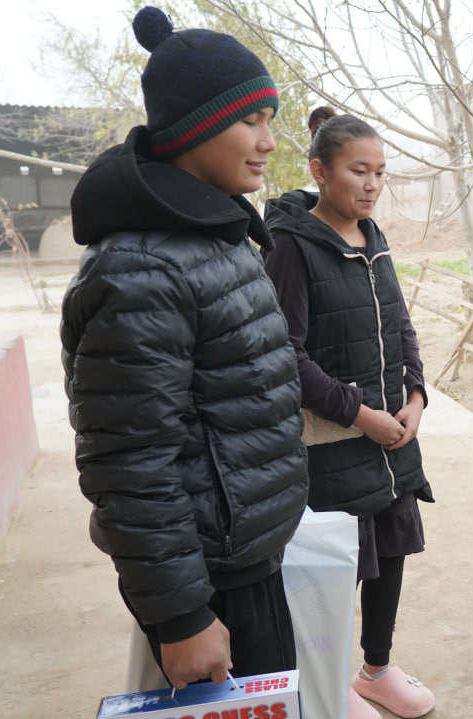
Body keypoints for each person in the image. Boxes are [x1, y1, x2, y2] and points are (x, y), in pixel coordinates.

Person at [60, 7, 307, 690]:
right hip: (209, 576)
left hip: (239, 556)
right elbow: (130, 458)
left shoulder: (212, 234)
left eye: (270, 118)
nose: (267, 140)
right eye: (250, 120)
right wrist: (181, 614)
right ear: (192, 128)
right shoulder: (143, 267)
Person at [263, 107, 435, 719]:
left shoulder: (376, 239)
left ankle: (376, 670)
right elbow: (288, 353)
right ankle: (329, 688)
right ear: (319, 170)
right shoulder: (291, 246)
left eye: (381, 173)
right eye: (358, 171)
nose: (371, 184)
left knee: (390, 555)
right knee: (336, 572)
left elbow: (401, 324)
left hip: (394, 438)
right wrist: (363, 415)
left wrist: (415, 397)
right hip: (335, 442)